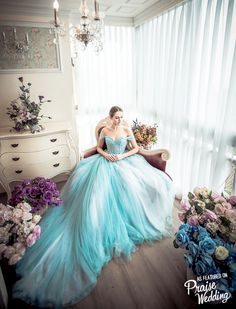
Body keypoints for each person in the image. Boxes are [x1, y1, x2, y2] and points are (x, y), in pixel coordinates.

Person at [13, 106, 174, 308]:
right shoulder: (105, 130)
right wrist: (106, 155)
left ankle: (133, 218)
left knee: (146, 184)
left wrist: (122, 156)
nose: (118, 121)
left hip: (125, 162)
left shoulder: (126, 129)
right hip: (104, 163)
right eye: (116, 117)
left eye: (121, 117)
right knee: (95, 196)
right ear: (110, 117)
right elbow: (98, 148)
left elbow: (134, 148)